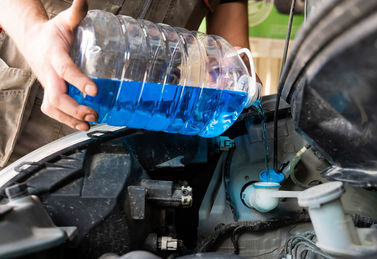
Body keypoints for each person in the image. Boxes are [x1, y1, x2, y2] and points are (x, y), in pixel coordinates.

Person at [0, 0, 252, 167]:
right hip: (25, 120)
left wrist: (235, 76)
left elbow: (234, 54)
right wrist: (34, 35)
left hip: (134, 137)